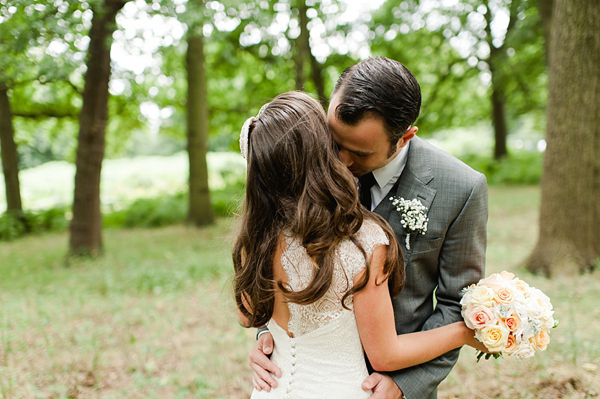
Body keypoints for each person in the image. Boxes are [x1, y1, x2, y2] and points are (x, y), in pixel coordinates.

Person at [248, 58, 488, 399]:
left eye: (358, 152)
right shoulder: (308, 161)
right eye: (334, 142)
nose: (340, 161)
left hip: (395, 376)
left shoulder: (461, 188)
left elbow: (457, 304)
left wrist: (406, 384)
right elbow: (273, 246)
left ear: (404, 137)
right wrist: (270, 335)